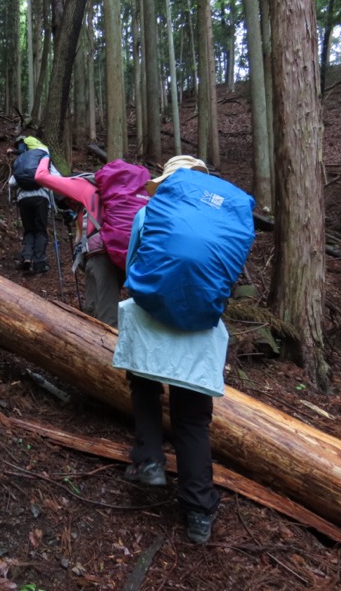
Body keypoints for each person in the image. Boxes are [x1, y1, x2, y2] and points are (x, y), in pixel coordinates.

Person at [112, 155, 224, 544]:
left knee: (144, 388)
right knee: (192, 419)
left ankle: (150, 462)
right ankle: (198, 512)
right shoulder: (221, 224)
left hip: (150, 317)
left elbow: (131, 268)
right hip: (200, 326)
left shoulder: (150, 212)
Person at [33, 155, 124, 327]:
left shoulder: (83, 186)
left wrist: (43, 156)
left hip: (102, 254)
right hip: (121, 249)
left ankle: (105, 351)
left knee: (106, 311)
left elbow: (41, 177)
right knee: (96, 305)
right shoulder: (110, 192)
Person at [7, 136, 55, 275]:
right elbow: (55, 179)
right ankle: (40, 263)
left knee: (29, 230)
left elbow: (12, 183)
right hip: (41, 197)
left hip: (23, 199)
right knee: (40, 230)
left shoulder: (21, 160)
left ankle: (27, 257)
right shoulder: (44, 157)